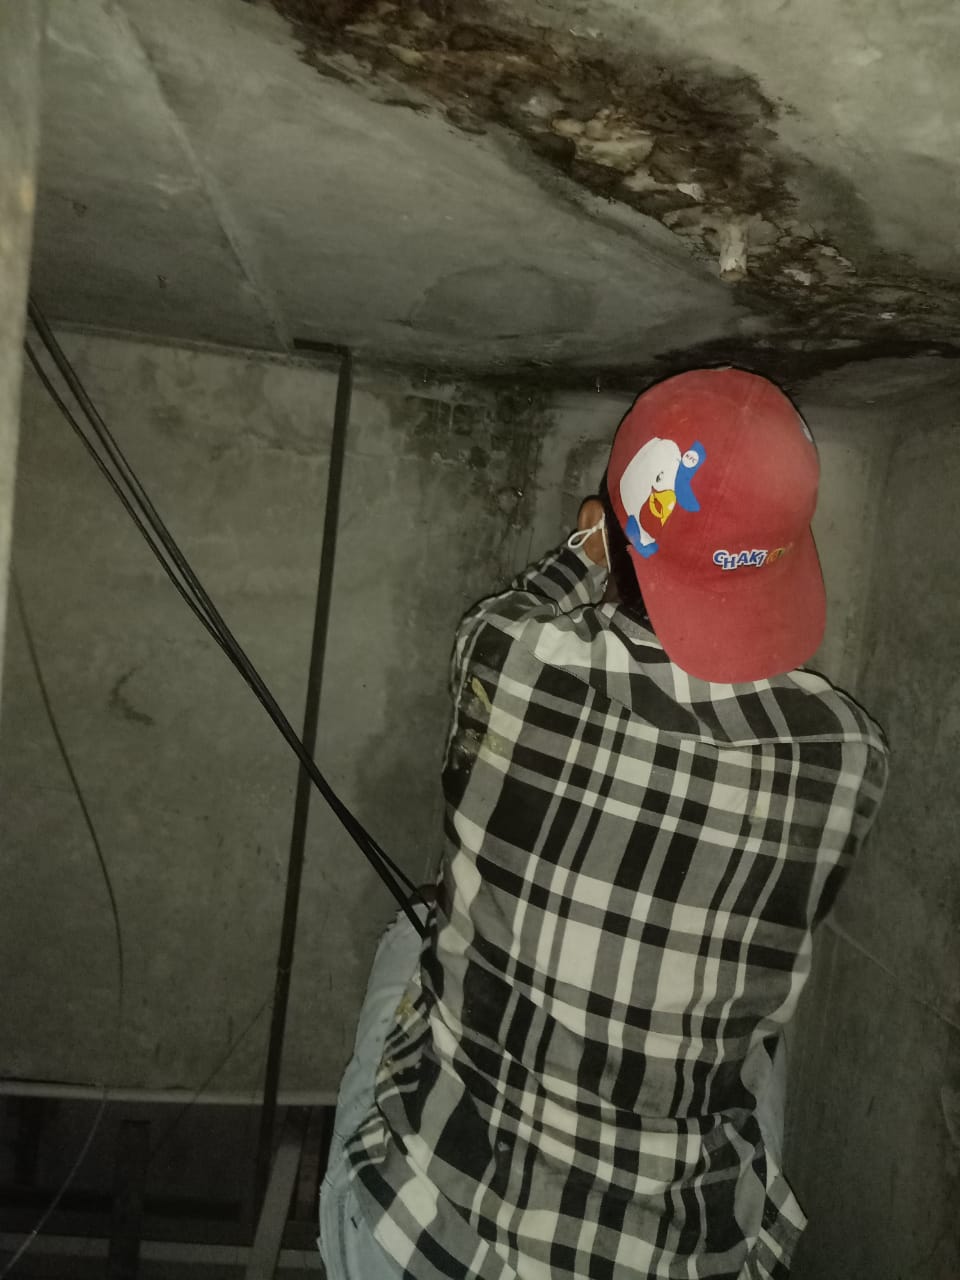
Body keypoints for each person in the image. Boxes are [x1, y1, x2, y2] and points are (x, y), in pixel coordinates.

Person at [319, 368, 888, 1279]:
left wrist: (590, 544)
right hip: (687, 1256)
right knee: (757, 1048)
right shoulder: (850, 755)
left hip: (434, 1242)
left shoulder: (508, 657)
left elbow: (515, 607)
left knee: (412, 932)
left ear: (621, 532)